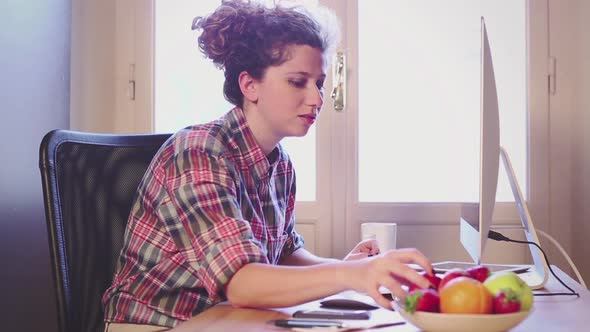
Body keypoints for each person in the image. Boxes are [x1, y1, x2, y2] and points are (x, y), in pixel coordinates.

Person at [102, 1, 434, 331]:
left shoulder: (280, 164)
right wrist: (350, 275)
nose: (317, 98)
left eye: (318, 83)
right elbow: (243, 283)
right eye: (298, 81)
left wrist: (348, 268)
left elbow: (284, 254)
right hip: (160, 325)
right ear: (250, 86)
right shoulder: (198, 153)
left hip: (226, 318)